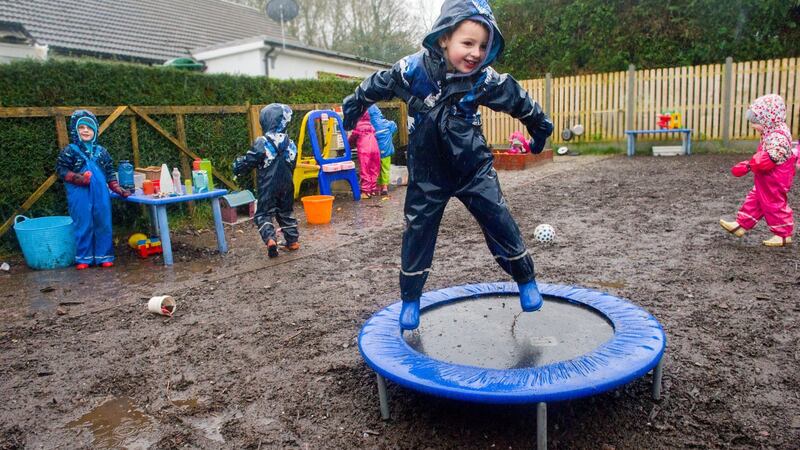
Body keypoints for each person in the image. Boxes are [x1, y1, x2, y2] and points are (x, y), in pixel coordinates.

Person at [342, 0, 554, 330]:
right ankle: (410, 299)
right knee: (418, 230)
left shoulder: (482, 79)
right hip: (428, 175)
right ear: (444, 39)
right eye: (467, 43)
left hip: (473, 168)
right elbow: (376, 84)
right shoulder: (413, 70)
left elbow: (518, 98)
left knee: (499, 219)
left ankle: (525, 278)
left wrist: (540, 127)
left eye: (483, 46)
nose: (475, 53)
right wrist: (353, 107)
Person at [55, 109, 131, 270]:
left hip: (101, 194)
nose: (85, 131)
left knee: (103, 222)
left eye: (89, 128)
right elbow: (61, 170)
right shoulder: (70, 151)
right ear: (75, 130)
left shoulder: (101, 152)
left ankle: (104, 256)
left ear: (95, 131)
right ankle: (84, 258)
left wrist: (118, 189)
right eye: (81, 127)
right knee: (83, 223)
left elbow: (109, 173)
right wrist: (79, 178)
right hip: (78, 193)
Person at [720, 94, 796, 247]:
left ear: (769, 119)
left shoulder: (778, 136)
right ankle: (741, 225)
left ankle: (783, 234)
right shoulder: (770, 131)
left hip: (775, 177)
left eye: (756, 122)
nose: (753, 126)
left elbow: (771, 158)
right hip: (767, 176)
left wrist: (752, 164)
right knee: (755, 198)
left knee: (773, 202)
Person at [233, 104, 300, 258]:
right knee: (285, 211)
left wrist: (238, 167)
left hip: (268, 185)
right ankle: (292, 241)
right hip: (287, 183)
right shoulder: (291, 143)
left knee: (263, 213)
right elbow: (292, 163)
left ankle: (270, 240)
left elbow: (250, 160)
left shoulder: (262, 142)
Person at [348, 110, 381, 198]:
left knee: (365, 170)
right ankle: (373, 189)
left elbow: (353, 138)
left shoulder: (358, 126)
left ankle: (366, 192)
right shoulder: (371, 126)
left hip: (364, 150)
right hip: (375, 149)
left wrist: (349, 144)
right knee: (374, 169)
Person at [368, 104, 398, 195]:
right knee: (385, 169)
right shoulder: (387, 124)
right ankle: (384, 187)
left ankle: (376, 187)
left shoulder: (369, 125)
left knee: (375, 169)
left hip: (374, 152)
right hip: (386, 151)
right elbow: (394, 127)